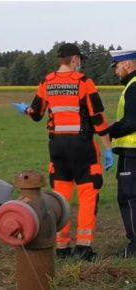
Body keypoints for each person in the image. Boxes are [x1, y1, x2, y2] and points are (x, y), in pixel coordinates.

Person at [12, 43, 114, 261]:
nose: (81, 64)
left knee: (60, 196)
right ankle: (84, 248)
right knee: (88, 194)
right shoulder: (85, 83)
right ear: (75, 59)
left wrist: (26, 110)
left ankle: (62, 247)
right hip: (82, 147)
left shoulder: (46, 82)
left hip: (57, 147)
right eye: (80, 61)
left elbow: (37, 114)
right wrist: (107, 148)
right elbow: (98, 118)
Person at [105, 50, 136, 258]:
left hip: (132, 153)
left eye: (116, 66)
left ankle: (135, 246)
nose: (116, 71)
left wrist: (109, 130)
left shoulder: (133, 87)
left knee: (129, 197)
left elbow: (132, 121)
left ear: (127, 64)